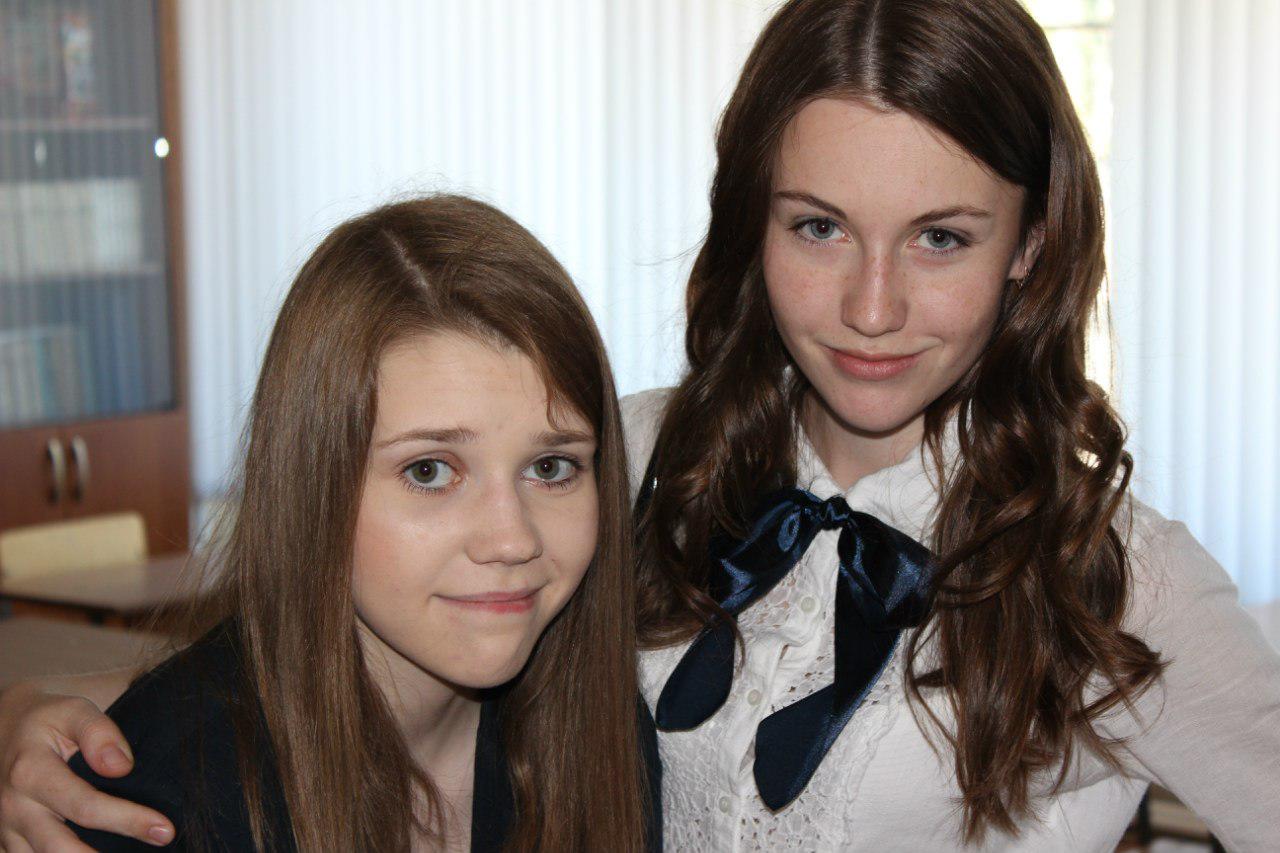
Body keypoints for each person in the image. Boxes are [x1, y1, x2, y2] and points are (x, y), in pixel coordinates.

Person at [3, 0, 1280, 850]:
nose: (870, 306)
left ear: (1030, 245)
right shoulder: (626, 459)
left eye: (940, 237)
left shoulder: (1117, 576)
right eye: (817, 226)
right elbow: (343, 631)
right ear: (750, 222)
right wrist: (62, 715)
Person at [0, 195, 659, 851]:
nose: (512, 539)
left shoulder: (597, 734)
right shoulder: (156, 807)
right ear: (315, 486)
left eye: (550, 467)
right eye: (430, 470)